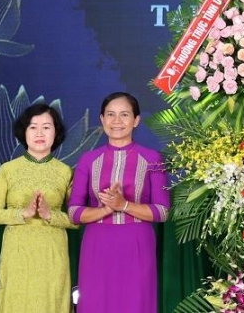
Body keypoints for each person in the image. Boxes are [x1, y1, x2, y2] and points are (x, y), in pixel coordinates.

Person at [67, 92, 169, 313]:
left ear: (136, 120)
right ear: (102, 119)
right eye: (110, 114)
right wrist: (106, 209)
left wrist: (124, 205)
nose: (117, 121)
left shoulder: (152, 159)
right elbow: (74, 212)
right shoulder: (88, 160)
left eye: (124, 115)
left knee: (135, 303)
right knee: (95, 304)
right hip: (97, 245)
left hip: (137, 245)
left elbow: (162, 212)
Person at [0, 103, 76, 312]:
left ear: (56, 132)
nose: (39, 133)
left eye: (46, 127)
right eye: (33, 127)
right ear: (23, 132)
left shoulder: (65, 172)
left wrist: (50, 215)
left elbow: (77, 219)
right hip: (17, 254)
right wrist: (23, 213)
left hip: (52, 254)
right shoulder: (7, 170)